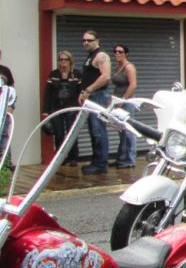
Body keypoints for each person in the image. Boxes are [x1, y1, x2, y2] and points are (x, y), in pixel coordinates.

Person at [78, 30, 112, 174]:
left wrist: (89, 90)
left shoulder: (101, 55)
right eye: (84, 40)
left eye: (89, 40)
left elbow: (105, 77)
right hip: (91, 95)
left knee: (98, 130)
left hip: (98, 95)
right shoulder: (90, 56)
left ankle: (101, 164)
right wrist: (83, 92)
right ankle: (96, 161)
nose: (86, 43)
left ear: (97, 40)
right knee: (93, 130)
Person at [43, 50, 83, 165]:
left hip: (72, 108)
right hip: (57, 108)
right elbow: (48, 93)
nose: (63, 62)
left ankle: (73, 158)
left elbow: (81, 92)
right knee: (59, 134)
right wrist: (45, 111)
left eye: (66, 59)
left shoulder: (76, 74)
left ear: (70, 61)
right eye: (61, 59)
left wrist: (80, 108)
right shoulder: (54, 74)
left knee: (71, 133)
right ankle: (59, 158)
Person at [111, 44, 139, 168]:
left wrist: (123, 100)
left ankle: (129, 160)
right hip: (117, 101)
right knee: (121, 130)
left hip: (126, 102)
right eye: (115, 52)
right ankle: (121, 158)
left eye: (120, 52)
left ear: (126, 54)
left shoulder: (129, 67)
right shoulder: (118, 67)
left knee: (128, 131)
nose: (117, 54)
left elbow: (133, 85)